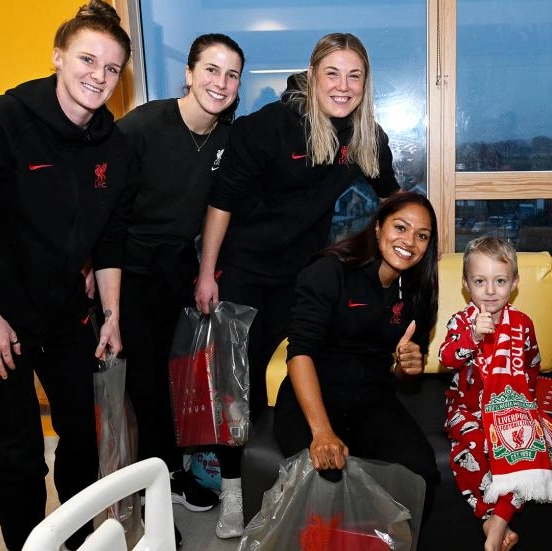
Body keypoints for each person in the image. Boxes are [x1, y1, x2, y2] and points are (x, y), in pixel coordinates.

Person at [0, 2, 134, 549]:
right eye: (87, 59)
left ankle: (72, 539)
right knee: (18, 456)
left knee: (83, 440)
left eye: (112, 68)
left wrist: (111, 316)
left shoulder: (112, 147)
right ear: (57, 57)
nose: (98, 76)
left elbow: (111, 236)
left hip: (63, 311)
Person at [193, 32, 400, 537]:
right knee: (234, 390)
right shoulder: (267, 127)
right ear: (313, 76)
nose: (343, 86)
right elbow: (221, 202)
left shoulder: (364, 134)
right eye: (332, 73)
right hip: (244, 272)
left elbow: (393, 199)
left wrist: (418, 249)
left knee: (304, 375)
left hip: (302, 274)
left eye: (355, 75)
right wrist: (206, 274)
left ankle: (298, 480)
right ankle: (233, 493)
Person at [115, 33, 244, 545]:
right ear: (188, 74)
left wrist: (207, 271)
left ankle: (171, 472)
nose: (221, 82)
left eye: (231, 74)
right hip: (126, 266)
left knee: (172, 378)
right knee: (142, 383)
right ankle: (155, 495)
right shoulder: (144, 125)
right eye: (211, 70)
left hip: (176, 264)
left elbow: (219, 208)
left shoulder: (226, 138)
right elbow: (99, 194)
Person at [273, 191, 441, 527]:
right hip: (314, 398)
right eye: (401, 227)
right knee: (328, 483)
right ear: (378, 227)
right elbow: (300, 352)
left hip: (371, 401)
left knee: (421, 473)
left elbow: (401, 373)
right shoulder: (330, 271)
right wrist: (321, 432)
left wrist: (409, 367)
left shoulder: (417, 292)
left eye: (422, 236)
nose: (409, 241)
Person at [439, 237, 552, 551]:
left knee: (533, 449)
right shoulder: (461, 321)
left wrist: (526, 402)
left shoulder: (522, 323)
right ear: (467, 285)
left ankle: (499, 519)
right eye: (480, 281)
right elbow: (447, 358)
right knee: (471, 448)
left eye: (500, 281)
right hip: (468, 409)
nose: (490, 290)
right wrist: (472, 337)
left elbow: (532, 364)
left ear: (514, 283)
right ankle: (489, 518)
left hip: (513, 406)